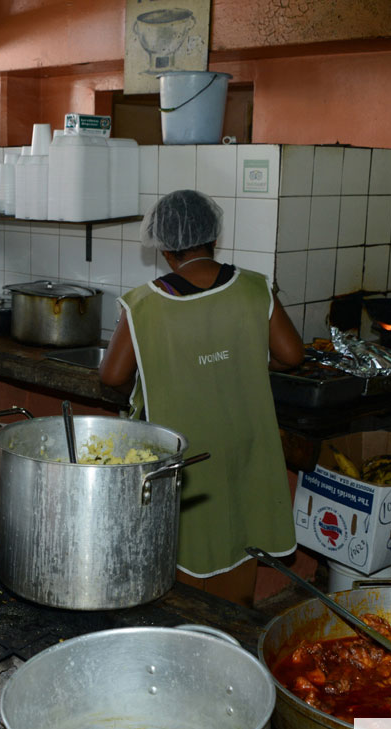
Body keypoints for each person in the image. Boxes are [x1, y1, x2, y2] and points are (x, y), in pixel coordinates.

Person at [99, 189, 305, 605]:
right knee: (242, 541)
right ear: (213, 235)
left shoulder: (144, 303)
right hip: (246, 444)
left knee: (185, 572)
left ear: (164, 246)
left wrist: (147, 385)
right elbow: (291, 355)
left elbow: (112, 375)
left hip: (185, 456)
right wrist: (244, 365)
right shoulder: (252, 287)